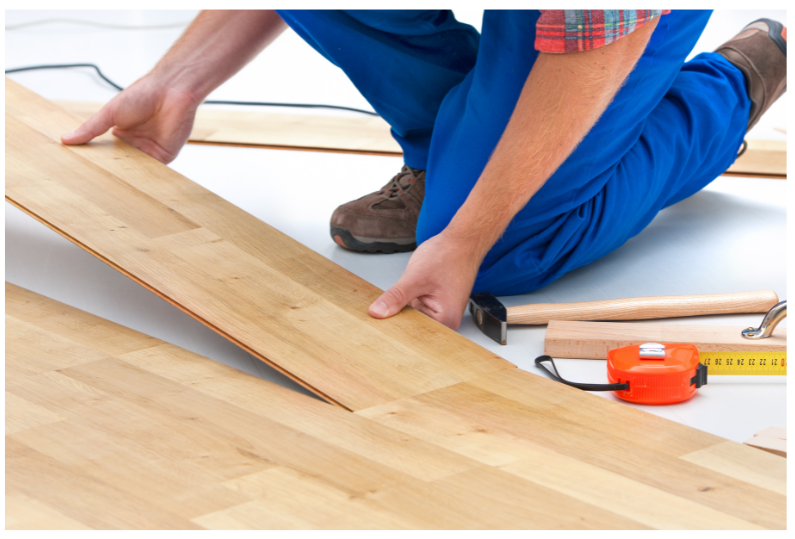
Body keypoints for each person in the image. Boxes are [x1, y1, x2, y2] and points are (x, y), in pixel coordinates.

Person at [62, 10, 787, 330]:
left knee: (505, 250)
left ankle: (723, 89)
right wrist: (179, 79)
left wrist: (469, 233)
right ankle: (453, 153)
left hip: (604, 24)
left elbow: (592, 38)